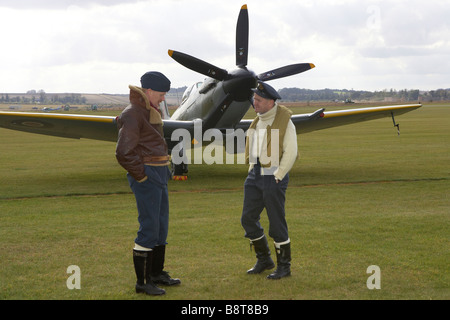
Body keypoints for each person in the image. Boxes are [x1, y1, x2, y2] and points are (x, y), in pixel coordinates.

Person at [116, 71, 180, 295]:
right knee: (149, 227)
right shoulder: (133, 113)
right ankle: (142, 282)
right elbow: (124, 152)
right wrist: (142, 176)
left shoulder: (147, 111)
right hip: (148, 175)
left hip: (159, 173)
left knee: (160, 226)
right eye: (161, 94)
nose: (163, 99)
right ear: (149, 91)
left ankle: (156, 274)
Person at [241, 81, 298, 279]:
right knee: (247, 219)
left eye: (258, 100)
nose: (254, 103)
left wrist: (279, 174)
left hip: (273, 175)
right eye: (254, 99)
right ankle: (264, 259)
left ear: (270, 102)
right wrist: (251, 169)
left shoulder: (285, 121)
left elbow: (291, 151)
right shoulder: (257, 120)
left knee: (276, 223)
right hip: (255, 173)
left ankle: (284, 267)